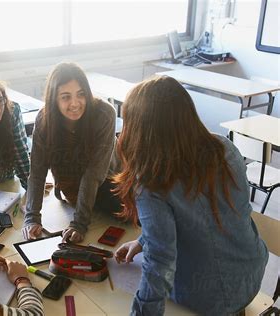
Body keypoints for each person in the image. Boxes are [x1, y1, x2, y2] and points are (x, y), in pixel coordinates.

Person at [113, 76, 268, 315]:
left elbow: (160, 263)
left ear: (143, 131)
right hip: (252, 274)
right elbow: (212, 219)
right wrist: (144, 241)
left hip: (209, 299)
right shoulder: (225, 148)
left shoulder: (152, 183)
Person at [22, 62, 121, 243]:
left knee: (124, 213)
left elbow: (94, 174)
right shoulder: (44, 120)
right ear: (54, 99)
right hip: (70, 185)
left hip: (107, 181)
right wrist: (32, 217)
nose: (75, 103)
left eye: (81, 94)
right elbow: (37, 172)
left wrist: (79, 223)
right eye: (65, 97)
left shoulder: (104, 113)